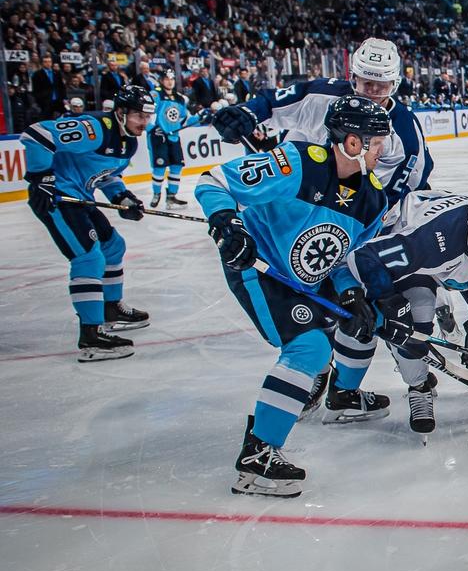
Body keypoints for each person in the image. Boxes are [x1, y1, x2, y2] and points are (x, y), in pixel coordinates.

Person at [195, 95, 391, 498]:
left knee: (322, 346)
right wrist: (227, 225)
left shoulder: (373, 200)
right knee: (310, 348)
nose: (382, 150)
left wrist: (351, 295)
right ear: (352, 143)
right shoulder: (298, 162)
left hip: (306, 279)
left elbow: (340, 258)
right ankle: (257, 456)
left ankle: (308, 399)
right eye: (376, 142)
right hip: (259, 267)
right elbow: (214, 180)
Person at [337, 189, 468, 436]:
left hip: (455, 254)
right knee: (416, 324)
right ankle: (419, 388)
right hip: (419, 259)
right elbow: (364, 257)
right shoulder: (430, 240)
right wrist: (388, 301)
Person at [209, 37, 433, 207]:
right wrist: (247, 113)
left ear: (393, 85)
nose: (373, 92)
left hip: (352, 202)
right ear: (354, 78)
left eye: (381, 85)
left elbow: (410, 180)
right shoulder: (322, 96)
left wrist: (376, 215)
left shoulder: (405, 128)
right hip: (298, 190)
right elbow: (271, 102)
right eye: (367, 83)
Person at [20, 86, 155, 361]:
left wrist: (122, 197)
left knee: (113, 246)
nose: (144, 122)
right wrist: (42, 178)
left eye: (147, 117)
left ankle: (110, 309)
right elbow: (37, 134)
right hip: (57, 199)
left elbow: (104, 175)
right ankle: (91, 336)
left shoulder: (128, 141)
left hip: (80, 198)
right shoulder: (93, 128)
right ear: (121, 112)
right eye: (139, 116)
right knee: (88, 258)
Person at [147, 70, 206, 208]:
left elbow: (185, 119)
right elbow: (145, 113)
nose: (170, 81)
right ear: (162, 80)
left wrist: (201, 116)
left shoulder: (179, 98)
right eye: (167, 79)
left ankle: (171, 196)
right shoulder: (155, 95)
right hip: (159, 137)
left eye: (172, 79)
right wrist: (151, 128)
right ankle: (156, 194)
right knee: (160, 167)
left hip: (174, 137)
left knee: (177, 166)